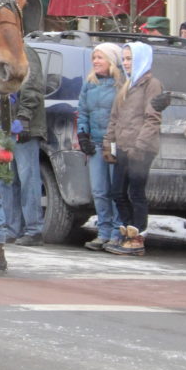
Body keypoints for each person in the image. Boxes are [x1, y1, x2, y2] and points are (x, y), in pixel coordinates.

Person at [102, 42, 164, 256]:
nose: (126, 63)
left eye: (130, 59)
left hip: (141, 149)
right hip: (122, 146)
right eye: (125, 59)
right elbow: (115, 118)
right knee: (117, 192)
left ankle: (138, 236)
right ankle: (128, 231)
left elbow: (152, 118)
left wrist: (140, 146)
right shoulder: (126, 84)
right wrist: (108, 145)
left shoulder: (151, 84)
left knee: (136, 192)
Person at [76, 42, 125, 251]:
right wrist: (82, 133)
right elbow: (83, 109)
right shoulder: (90, 82)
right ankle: (103, 231)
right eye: (94, 58)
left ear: (112, 60)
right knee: (99, 190)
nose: (95, 61)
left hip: (114, 142)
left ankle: (116, 232)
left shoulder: (122, 82)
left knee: (116, 189)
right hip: (95, 142)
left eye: (100, 57)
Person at [3, 45, 47, 246]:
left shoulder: (26, 52)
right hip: (5, 126)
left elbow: (33, 86)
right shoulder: (0, 52)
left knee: (28, 178)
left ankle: (33, 229)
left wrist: (24, 117)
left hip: (24, 126)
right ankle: (12, 228)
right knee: (8, 180)